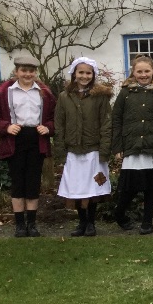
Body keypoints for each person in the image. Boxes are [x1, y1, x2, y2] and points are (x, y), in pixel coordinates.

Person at [0, 52, 57, 238]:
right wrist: (6, 127)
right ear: (16, 72)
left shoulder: (45, 93)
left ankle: (32, 225)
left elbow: (56, 118)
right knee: (18, 183)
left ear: (35, 73)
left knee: (33, 182)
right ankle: (19, 225)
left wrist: (48, 128)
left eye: (31, 71)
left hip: (36, 140)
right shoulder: (5, 92)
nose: (27, 74)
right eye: (24, 70)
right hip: (14, 141)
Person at [53, 57, 113, 237]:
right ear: (74, 74)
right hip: (73, 150)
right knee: (77, 187)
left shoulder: (100, 97)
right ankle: (81, 222)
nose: (84, 76)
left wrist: (104, 150)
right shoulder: (64, 97)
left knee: (93, 186)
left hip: (93, 150)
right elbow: (59, 124)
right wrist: (60, 150)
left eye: (88, 73)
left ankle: (91, 223)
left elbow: (106, 124)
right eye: (81, 72)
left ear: (93, 75)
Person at [111, 55, 153, 235]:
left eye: (147, 71)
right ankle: (119, 214)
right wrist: (117, 146)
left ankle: (147, 221)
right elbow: (116, 119)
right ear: (133, 73)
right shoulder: (126, 93)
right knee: (130, 186)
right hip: (132, 144)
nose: (143, 75)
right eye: (139, 71)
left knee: (151, 187)